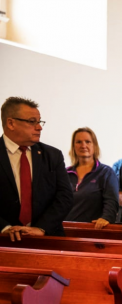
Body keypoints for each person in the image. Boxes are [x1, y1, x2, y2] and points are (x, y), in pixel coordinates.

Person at [1, 96, 73, 240]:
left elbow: (65, 196)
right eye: (32, 122)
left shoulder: (53, 155)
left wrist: (42, 228)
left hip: (47, 238)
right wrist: (4, 228)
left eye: (39, 122)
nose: (39, 127)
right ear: (11, 123)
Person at [64, 127, 119, 229]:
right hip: (65, 229)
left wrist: (106, 218)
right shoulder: (65, 173)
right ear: (73, 146)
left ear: (94, 146)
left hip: (93, 231)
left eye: (88, 142)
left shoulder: (106, 173)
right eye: (79, 142)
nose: (83, 145)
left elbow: (111, 202)